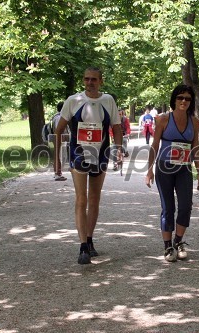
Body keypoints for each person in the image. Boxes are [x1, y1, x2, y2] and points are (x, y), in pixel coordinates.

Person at [54, 67, 123, 265]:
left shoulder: (108, 100)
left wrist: (118, 149)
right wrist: (57, 158)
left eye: (94, 79)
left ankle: (90, 239)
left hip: (100, 154)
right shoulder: (73, 101)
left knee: (94, 198)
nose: (89, 82)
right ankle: (83, 245)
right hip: (78, 154)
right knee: (81, 199)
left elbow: (116, 127)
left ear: (101, 81)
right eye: (86, 79)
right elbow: (59, 130)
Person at [145, 84, 199, 262]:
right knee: (168, 207)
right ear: (174, 99)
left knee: (186, 206)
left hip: (184, 168)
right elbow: (155, 145)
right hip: (164, 167)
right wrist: (149, 170)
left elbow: (195, 148)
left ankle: (178, 241)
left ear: (191, 101)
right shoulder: (163, 119)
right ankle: (167, 246)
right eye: (180, 97)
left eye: (187, 98)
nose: (183, 101)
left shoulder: (194, 121)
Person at [53, 101, 70, 181]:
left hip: (58, 139)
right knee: (61, 156)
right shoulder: (59, 118)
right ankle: (57, 174)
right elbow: (58, 130)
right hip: (60, 139)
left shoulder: (55, 116)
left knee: (59, 156)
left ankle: (57, 173)